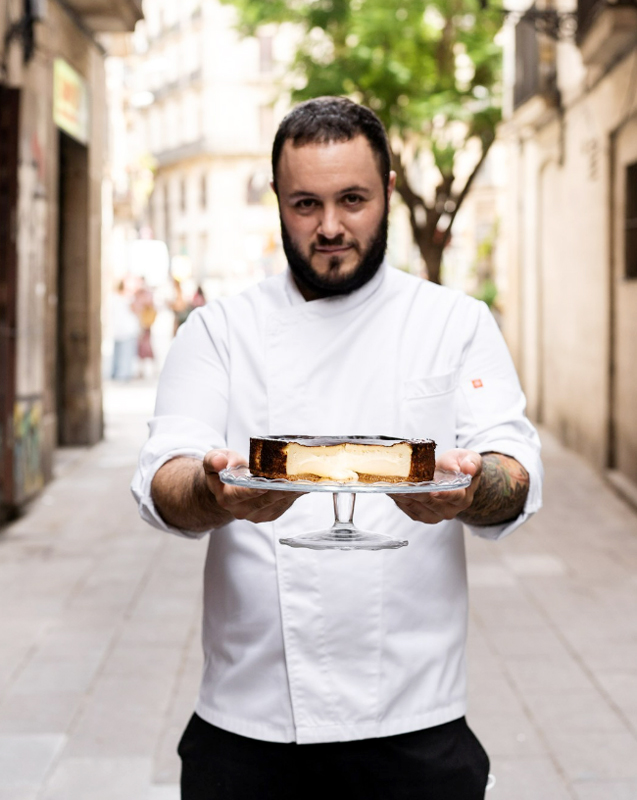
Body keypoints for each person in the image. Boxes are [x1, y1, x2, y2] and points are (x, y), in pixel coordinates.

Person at [132, 97, 542, 800]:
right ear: (276, 201)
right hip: (248, 726)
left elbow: (514, 467)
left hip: (417, 723)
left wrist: (470, 493)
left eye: (351, 199)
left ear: (386, 190)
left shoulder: (454, 323)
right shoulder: (219, 331)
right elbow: (163, 478)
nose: (329, 227)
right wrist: (212, 493)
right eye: (305, 204)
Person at [110, 279, 139, 381]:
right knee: (126, 353)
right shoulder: (126, 299)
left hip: (118, 329)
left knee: (118, 353)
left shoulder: (114, 298)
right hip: (126, 330)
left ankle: (116, 373)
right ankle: (123, 374)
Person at [132, 278, 157, 376]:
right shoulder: (138, 294)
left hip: (145, 325)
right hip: (140, 324)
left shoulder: (146, 295)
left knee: (147, 347)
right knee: (141, 348)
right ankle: (141, 369)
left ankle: (150, 368)